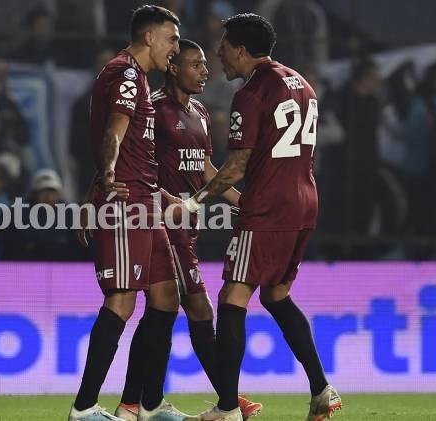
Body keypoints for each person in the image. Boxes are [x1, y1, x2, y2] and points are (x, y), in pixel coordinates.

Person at [169, 14, 341, 421]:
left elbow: (235, 167)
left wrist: (192, 205)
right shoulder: (303, 84)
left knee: (232, 298)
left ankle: (228, 407)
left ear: (242, 51)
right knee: (276, 295)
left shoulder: (251, 93)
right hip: (304, 204)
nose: (218, 55)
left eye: (224, 48)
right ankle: (322, 388)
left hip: (267, 208)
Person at [112, 39, 261, 421]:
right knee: (197, 306)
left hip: (187, 225)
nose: (205, 71)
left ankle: (141, 401)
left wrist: (244, 203)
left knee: (161, 313)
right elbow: (140, 170)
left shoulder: (200, 113)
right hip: (161, 224)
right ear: (173, 68)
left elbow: (208, 171)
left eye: (205, 65)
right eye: (195, 64)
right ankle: (227, 399)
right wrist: (168, 202)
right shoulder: (155, 110)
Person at [69, 5, 187, 421]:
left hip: (145, 201)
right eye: (172, 39)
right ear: (150, 37)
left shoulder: (134, 77)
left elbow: (116, 136)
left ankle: (145, 405)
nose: (176, 48)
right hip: (127, 203)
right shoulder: (126, 74)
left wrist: (92, 189)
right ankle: (83, 409)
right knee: (121, 300)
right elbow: (113, 132)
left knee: (166, 297)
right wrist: (106, 178)